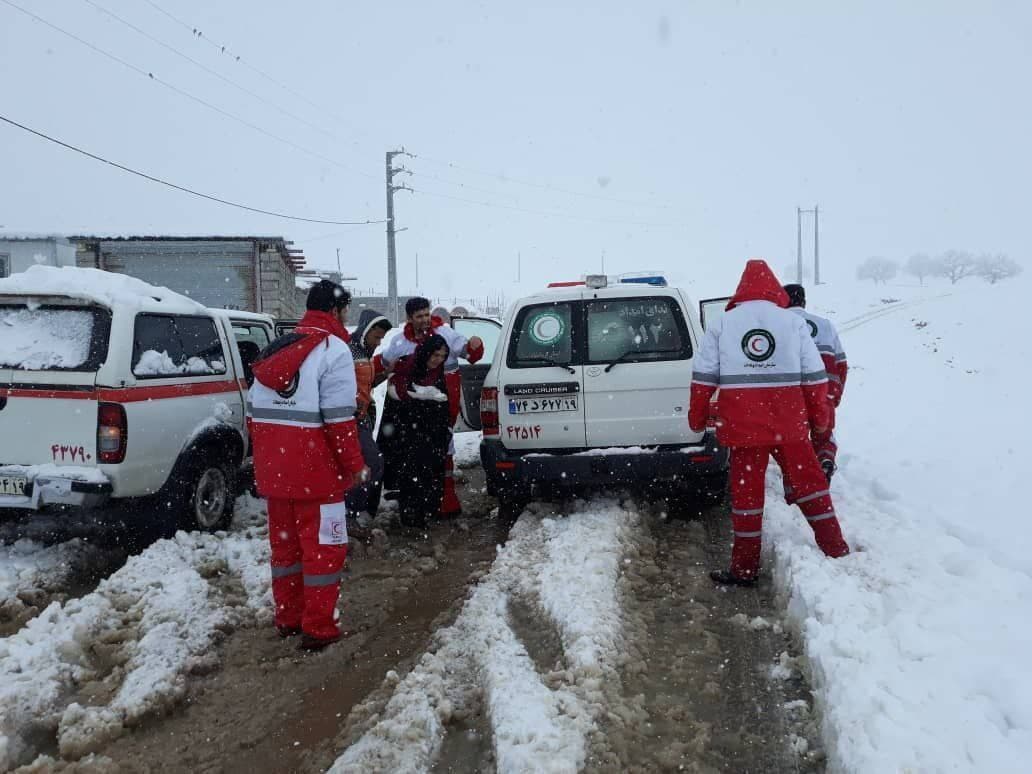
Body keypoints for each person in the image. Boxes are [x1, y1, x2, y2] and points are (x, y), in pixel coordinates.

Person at [688, 260, 850, 586]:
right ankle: (835, 548)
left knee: (747, 500)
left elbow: (703, 377)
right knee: (811, 487)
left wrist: (697, 417)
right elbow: (816, 379)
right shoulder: (792, 324)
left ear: (741, 290)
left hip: (744, 429)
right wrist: (821, 421)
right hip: (789, 427)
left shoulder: (723, 324)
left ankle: (744, 569)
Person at [247, 280, 370, 650]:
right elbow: (339, 421)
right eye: (345, 310)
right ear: (336, 311)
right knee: (323, 549)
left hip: (275, 471)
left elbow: (253, 414)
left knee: (285, 551)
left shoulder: (275, 349)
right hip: (317, 476)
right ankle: (318, 627)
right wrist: (355, 466)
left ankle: (287, 617)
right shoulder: (334, 351)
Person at [379, 298, 484, 516]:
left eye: (427, 314)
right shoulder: (400, 342)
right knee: (414, 449)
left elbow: (471, 355)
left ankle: (446, 498)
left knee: (443, 444)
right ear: (409, 318)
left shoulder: (445, 334)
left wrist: (475, 344)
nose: (425, 320)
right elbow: (382, 365)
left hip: (442, 402)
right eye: (419, 316)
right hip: (412, 408)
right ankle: (417, 497)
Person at [783, 283, 848, 481]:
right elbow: (842, 364)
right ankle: (825, 460)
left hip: (792, 395)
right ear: (804, 301)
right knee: (824, 435)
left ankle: (798, 480)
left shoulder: (780, 325)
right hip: (823, 392)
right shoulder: (825, 325)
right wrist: (834, 396)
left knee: (793, 439)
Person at [389, 335, 453, 528]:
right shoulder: (408, 368)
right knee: (412, 475)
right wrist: (421, 398)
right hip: (410, 433)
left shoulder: (438, 372)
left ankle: (424, 514)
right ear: (426, 353)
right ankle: (411, 518)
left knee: (430, 476)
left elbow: (444, 401)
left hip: (433, 433)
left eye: (442, 356)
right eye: (435, 355)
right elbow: (398, 396)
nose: (438, 360)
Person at [346, 309, 393, 520]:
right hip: (350, 419)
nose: (379, 342)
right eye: (377, 337)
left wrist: (386, 373)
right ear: (366, 331)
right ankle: (355, 510)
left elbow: (366, 384)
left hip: (363, 418)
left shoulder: (364, 353)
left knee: (368, 464)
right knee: (371, 463)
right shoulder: (347, 351)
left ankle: (358, 510)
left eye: (382, 338)